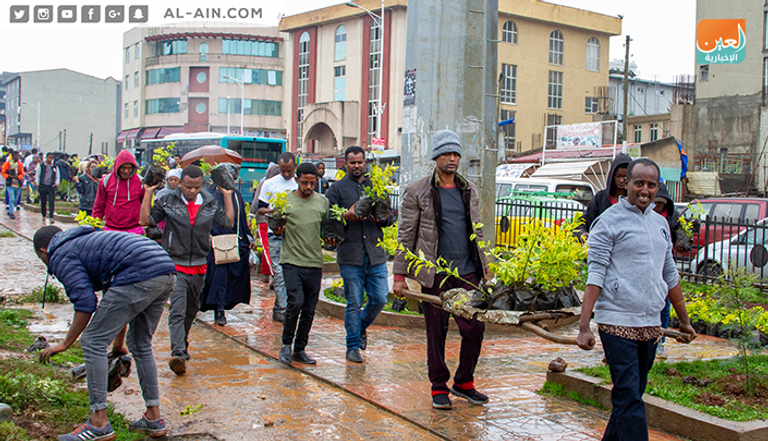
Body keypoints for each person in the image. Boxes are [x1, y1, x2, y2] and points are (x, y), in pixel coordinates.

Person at [577, 158, 697, 441]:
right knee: (629, 396)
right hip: (616, 321)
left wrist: (684, 320)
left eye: (651, 185)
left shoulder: (660, 224)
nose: (645, 190)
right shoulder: (607, 222)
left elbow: (670, 273)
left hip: (651, 322)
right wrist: (584, 325)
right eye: (639, 183)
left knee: (632, 394)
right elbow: (595, 275)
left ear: (658, 188)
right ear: (626, 183)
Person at [33, 225, 177, 441]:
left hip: (140, 272)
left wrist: (65, 343)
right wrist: (118, 345)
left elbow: (85, 303)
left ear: (43, 251)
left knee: (92, 340)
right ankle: (153, 418)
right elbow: (114, 296)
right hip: (165, 269)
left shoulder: (61, 254)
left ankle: (98, 423)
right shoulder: (88, 241)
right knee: (140, 344)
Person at [392, 130, 489, 410]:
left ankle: (464, 382)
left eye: (456, 153)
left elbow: (478, 233)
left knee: (475, 328)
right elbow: (406, 235)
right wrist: (400, 277)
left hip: (466, 272)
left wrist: (487, 270)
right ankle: (438, 386)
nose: (452, 158)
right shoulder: (418, 190)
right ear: (435, 157)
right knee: (436, 331)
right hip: (435, 274)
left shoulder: (469, 190)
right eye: (447, 153)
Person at [140, 165, 235, 375]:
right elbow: (145, 220)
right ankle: (178, 354)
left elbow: (228, 222)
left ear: (201, 185)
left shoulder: (209, 203)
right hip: (174, 264)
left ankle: (182, 341)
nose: (191, 191)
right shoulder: (168, 201)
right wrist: (148, 192)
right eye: (188, 187)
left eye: (196, 187)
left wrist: (227, 195)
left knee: (192, 310)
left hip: (200, 264)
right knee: (177, 309)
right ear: (180, 183)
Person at [325, 146, 395, 363]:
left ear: (365, 163)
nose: (356, 165)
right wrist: (346, 215)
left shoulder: (376, 187)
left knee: (380, 298)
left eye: (360, 162)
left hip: (375, 254)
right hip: (350, 255)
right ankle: (352, 346)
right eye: (352, 162)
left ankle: (361, 326)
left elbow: (390, 217)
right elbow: (327, 222)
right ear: (345, 164)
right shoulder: (335, 190)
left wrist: (384, 219)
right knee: (354, 301)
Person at [276, 162, 330, 366]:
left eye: (312, 183)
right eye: (304, 182)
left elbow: (326, 231)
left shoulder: (322, 203)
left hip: (314, 262)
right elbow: (276, 226)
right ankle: (285, 345)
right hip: (291, 260)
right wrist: (278, 229)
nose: (308, 187)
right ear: (296, 180)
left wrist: (332, 240)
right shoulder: (285, 201)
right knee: (295, 302)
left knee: (309, 308)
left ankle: (300, 349)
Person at [200, 165, 254, 326]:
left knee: (232, 277)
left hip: (235, 242)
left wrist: (248, 236)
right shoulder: (209, 195)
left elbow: (241, 219)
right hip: (215, 244)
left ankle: (225, 304)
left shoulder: (236, 195)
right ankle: (219, 309)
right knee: (219, 278)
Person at [257, 152, 298, 323]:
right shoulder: (269, 184)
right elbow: (260, 208)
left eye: (289, 171)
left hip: (295, 235)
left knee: (293, 273)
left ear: (295, 167)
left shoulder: (299, 183)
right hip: (276, 235)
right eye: (283, 170)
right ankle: (283, 309)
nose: (286, 174)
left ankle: (281, 306)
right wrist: (274, 210)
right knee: (279, 273)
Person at [652, 181, 683, 360]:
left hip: (663, 266)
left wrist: (682, 238)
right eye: (654, 203)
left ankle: (660, 342)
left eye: (660, 204)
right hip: (646, 268)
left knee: (664, 305)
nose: (656, 207)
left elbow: (680, 232)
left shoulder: (670, 217)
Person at [578, 153, 632, 239]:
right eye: (618, 176)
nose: (621, 180)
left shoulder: (634, 201)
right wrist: (582, 233)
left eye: (625, 177)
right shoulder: (600, 198)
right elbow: (584, 221)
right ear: (612, 175)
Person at [92, 150, 145, 234]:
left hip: (134, 229)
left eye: (129, 168)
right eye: (123, 168)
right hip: (111, 229)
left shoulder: (140, 182)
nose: (126, 171)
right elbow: (98, 205)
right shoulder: (106, 181)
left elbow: (146, 205)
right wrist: (94, 226)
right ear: (117, 166)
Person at [249, 163, 280, 281]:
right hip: (269, 219)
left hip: (265, 220)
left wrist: (251, 217)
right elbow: (258, 202)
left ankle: (272, 274)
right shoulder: (267, 183)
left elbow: (256, 201)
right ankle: (269, 273)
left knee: (267, 246)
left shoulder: (265, 182)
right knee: (269, 247)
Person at [36, 152, 60, 224]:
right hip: (43, 185)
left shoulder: (54, 167)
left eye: (52, 158)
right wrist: (37, 183)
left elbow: (57, 176)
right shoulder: (41, 166)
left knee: (51, 201)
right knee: (43, 201)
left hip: (51, 186)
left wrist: (56, 183)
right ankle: (43, 215)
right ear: (46, 157)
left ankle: (51, 216)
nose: (50, 159)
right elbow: (38, 175)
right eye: (49, 158)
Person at [2, 150, 24, 219]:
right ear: (13, 156)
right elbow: (3, 173)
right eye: (16, 156)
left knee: (15, 200)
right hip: (10, 184)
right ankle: (11, 213)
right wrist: (8, 176)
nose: (18, 157)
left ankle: (11, 210)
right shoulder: (7, 164)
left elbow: (22, 173)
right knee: (11, 198)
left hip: (17, 184)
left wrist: (18, 177)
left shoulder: (20, 165)